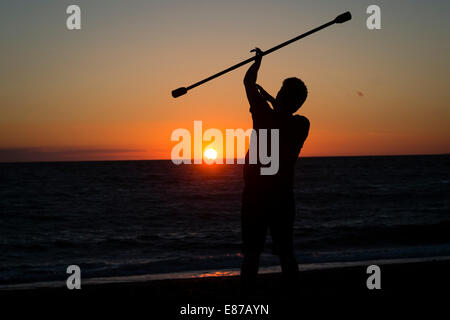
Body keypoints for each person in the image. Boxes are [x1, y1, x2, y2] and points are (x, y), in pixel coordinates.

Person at [240, 47, 310, 294]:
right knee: (286, 252)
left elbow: (248, 81)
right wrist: (272, 100)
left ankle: (247, 298)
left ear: (284, 97)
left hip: (256, 197)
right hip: (282, 198)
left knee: (251, 254)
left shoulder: (263, 115)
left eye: (281, 93)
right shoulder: (301, 124)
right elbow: (283, 116)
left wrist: (257, 63)